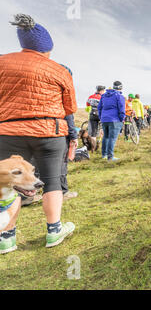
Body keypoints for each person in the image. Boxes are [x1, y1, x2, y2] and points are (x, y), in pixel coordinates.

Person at [0, 14, 77, 253]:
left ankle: (6, 237)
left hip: (9, 131)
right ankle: (54, 231)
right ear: (47, 48)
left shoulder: (2, 62)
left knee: (10, 184)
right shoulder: (59, 69)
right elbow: (70, 107)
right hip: (49, 132)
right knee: (52, 181)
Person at [98, 81, 126, 161]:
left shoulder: (103, 96)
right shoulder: (119, 96)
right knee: (112, 138)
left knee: (106, 137)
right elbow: (121, 109)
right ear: (120, 87)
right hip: (115, 120)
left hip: (104, 119)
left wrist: (101, 117)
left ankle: (104, 155)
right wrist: (121, 119)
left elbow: (99, 108)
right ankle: (110, 157)